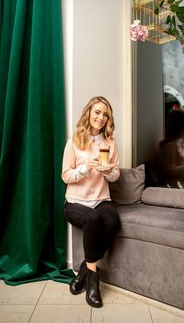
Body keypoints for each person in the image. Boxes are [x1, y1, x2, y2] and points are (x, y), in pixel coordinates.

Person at [61, 96, 121, 308]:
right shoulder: (74, 141)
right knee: (93, 219)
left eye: (105, 114)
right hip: (75, 202)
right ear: (88, 113)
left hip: (101, 199)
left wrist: (108, 172)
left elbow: (116, 175)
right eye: (97, 112)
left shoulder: (110, 143)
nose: (101, 117)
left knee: (113, 222)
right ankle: (93, 283)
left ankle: (83, 271)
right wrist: (86, 168)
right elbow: (66, 176)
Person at [155, 109, 184, 189]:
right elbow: (169, 171)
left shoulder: (176, 144)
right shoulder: (169, 146)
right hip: (175, 189)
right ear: (179, 128)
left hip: (180, 187)